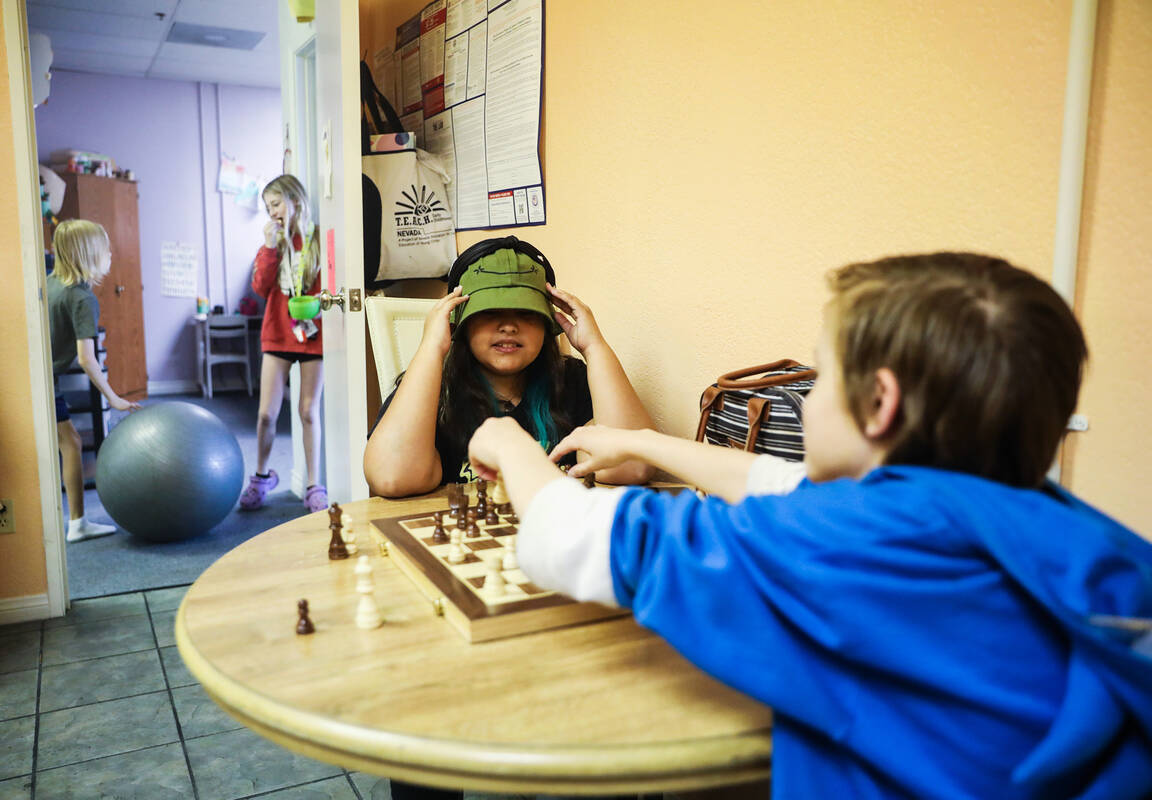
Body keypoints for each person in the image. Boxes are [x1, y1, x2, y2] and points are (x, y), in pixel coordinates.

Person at [466, 252, 1152, 800]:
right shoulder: (1055, 522)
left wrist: (507, 442)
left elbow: (571, 536)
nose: (807, 396)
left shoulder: (842, 546)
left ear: (878, 403)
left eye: (820, 378)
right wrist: (645, 444)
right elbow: (783, 485)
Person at [364, 236, 656, 497]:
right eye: (490, 312)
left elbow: (633, 468)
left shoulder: (574, 382)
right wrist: (431, 347)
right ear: (458, 322)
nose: (508, 326)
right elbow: (391, 479)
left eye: (525, 313)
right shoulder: (433, 391)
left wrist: (595, 348)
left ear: (548, 322)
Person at [46, 220, 141, 542]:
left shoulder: (52, 283)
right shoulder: (82, 298)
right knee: (70, 443)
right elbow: (87, 358)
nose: (111, 254)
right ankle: (77, 523)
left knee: (66, 441)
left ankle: (76, 521)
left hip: (42, 379)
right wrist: (113, 397)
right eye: (106, 249)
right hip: (46, 382)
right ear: (88, 255)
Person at [240, 174, 327, 513]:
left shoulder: (317, 239)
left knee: (308, 410)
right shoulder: (274, 242)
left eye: (275, 204)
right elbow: (260, 288)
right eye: (267, 207)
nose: (272, 212)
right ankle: (262, 477)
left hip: (312, 334)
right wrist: (268, 248)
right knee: (265, 414)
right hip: (277, 332)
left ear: (294, 199)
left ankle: (313, 485)